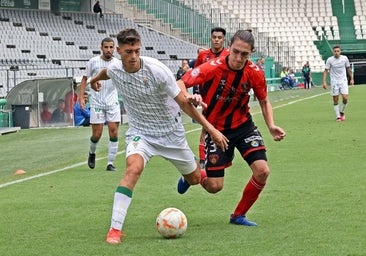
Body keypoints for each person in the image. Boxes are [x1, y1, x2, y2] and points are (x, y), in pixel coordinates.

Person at [87, 28, 228, 244]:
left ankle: (186, 176)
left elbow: (182, 103)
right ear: (119, 51)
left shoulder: (158, 71)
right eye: (128, 52)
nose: (133, 56)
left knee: (196, 179)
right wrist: (95, 80)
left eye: (136, 51)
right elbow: (107, 72)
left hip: (171, 134)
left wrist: (211, 129)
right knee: (133, 169)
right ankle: (115, 229)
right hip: (141, 134)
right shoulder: (115, 67)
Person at [177, 29, 286, 227]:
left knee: (262, 171)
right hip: (217, 130)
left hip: (244, 127)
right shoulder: (212, 67)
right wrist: (190, 97)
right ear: (230, 47)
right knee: (214, 186)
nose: (238, 57)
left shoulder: (254, 72)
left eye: (244, 54)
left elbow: (263, 101)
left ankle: (238, 215)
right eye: (235, 51)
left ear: (251, 53)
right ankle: (193, 173)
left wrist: (271, 125)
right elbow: (181, 82)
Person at [79, 37, 121, 172]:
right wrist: (81, 97)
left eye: (111, 47)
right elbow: (85, 78)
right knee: (97, 134)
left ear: (114, 48)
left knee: (114, 133)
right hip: (97, 101)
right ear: (101, 48)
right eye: (106, 47)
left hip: (112, 102)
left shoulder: (118, 63)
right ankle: (92, 153)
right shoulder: (93, 62)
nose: (108, 50)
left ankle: (110, 163)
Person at [192, 27, 230, 169]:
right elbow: (195, 74)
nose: (216, 40)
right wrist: (196, 94)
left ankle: (223, 156)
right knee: (206, 128)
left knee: (227, 128)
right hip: (209, 99)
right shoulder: (203, 55)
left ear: (223, 39)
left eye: (219, 38)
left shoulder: (228, 54)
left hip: (225, 99)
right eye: (214, 37)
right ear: (210, 38)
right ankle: (202, 159)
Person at [323, 45, 354, 122]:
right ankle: (338, 116)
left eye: (338, 51)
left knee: (345, 98)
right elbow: (326, 70)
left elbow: (348, 68)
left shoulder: (344, 58)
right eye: (335, 51)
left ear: (340, 51)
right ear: (333, 52)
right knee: (335, 99)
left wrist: (352, 78)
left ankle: (342, 112)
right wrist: (324, 82)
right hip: (334, 82)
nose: (336, 52)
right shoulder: (330, 60)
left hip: (343, 81)